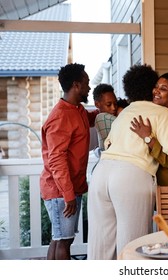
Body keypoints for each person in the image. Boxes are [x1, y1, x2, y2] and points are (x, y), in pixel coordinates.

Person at [87, 64, 168, 260]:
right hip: (130, 175)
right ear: (150, 88)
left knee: (101, 246)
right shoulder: (161, 113)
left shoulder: (124, 113)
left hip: (100, 174)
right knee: (133, 245)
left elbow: (109, 143)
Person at [40, 63, 98, 260]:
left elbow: (89, 119)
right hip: (60, 191)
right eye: (86, 83)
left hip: (72, 188)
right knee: (63, 241)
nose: (89, 87)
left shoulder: (77, 109)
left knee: (61, 239)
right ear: (76, 85)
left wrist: (110, 109)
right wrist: (68, 195)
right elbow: (56, 160)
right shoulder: (60, 116)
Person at [93, 83, 118, 152]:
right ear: (97, 104)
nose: (113, 108)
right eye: (108, 104)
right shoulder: (101, 117)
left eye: (115, 104)